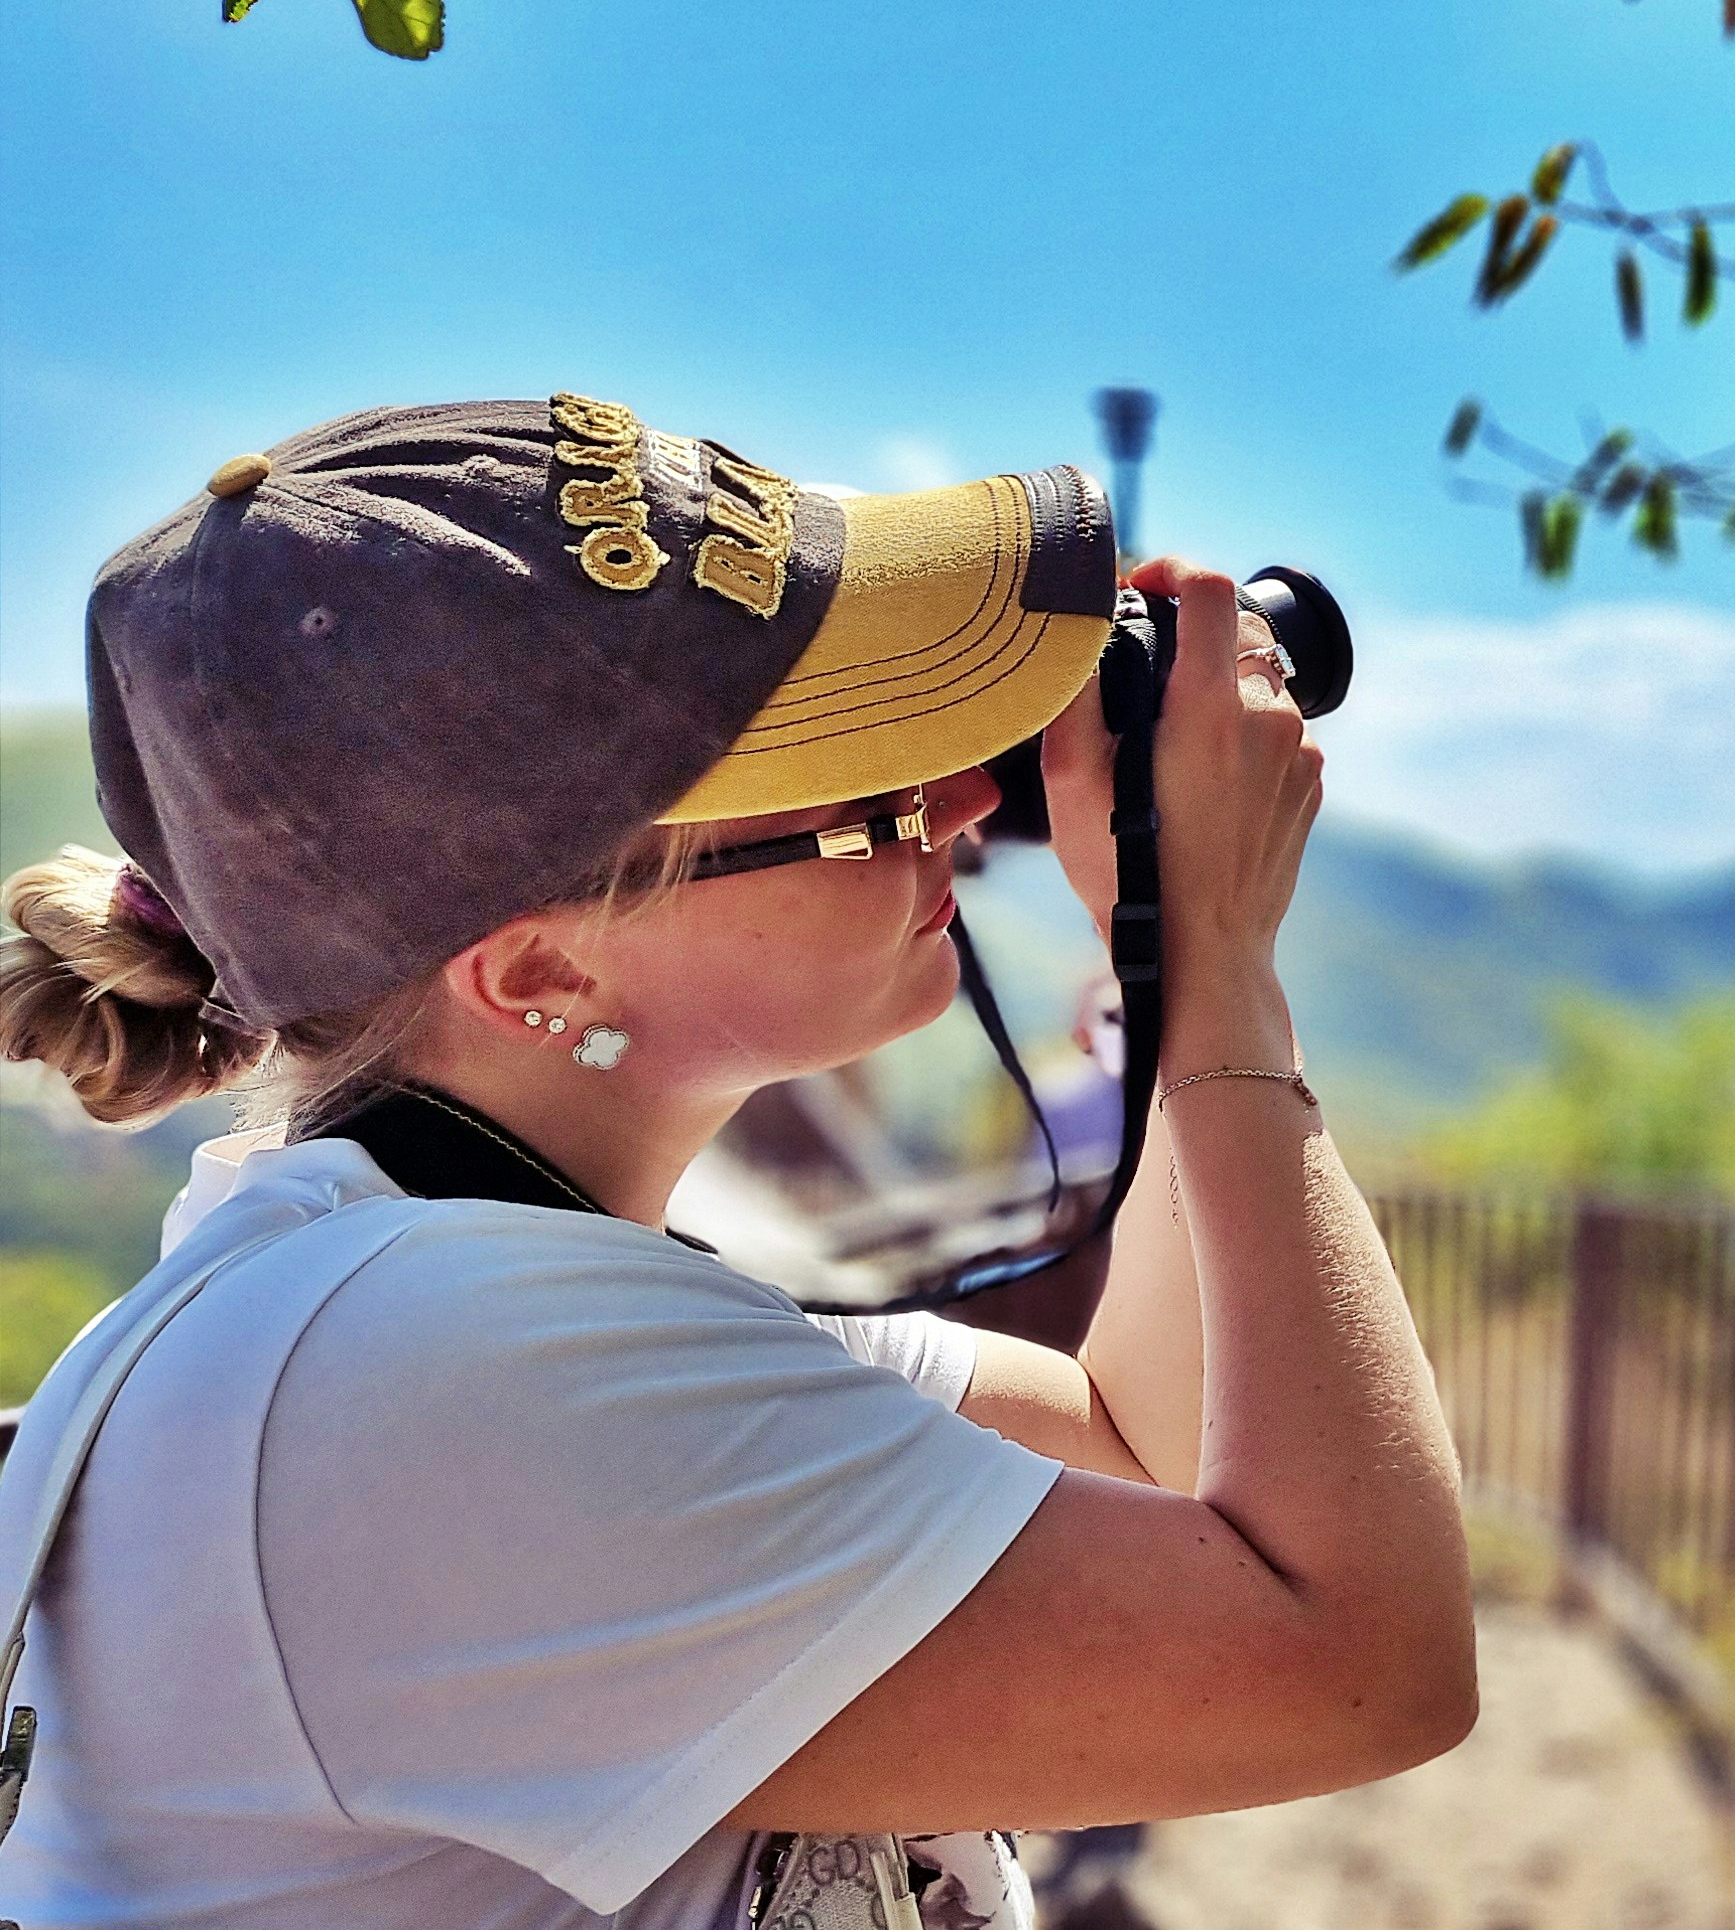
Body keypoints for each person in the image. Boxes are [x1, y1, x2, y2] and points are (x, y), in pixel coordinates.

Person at [0, 396, 1474, 1928]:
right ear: (538, 977)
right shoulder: (431, 1370)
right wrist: (1225, 973)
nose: (966, 803)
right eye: (861, 782)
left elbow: (1147, 1452)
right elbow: (1362, 1662)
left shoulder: (420, 1290)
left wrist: (1162, 931)